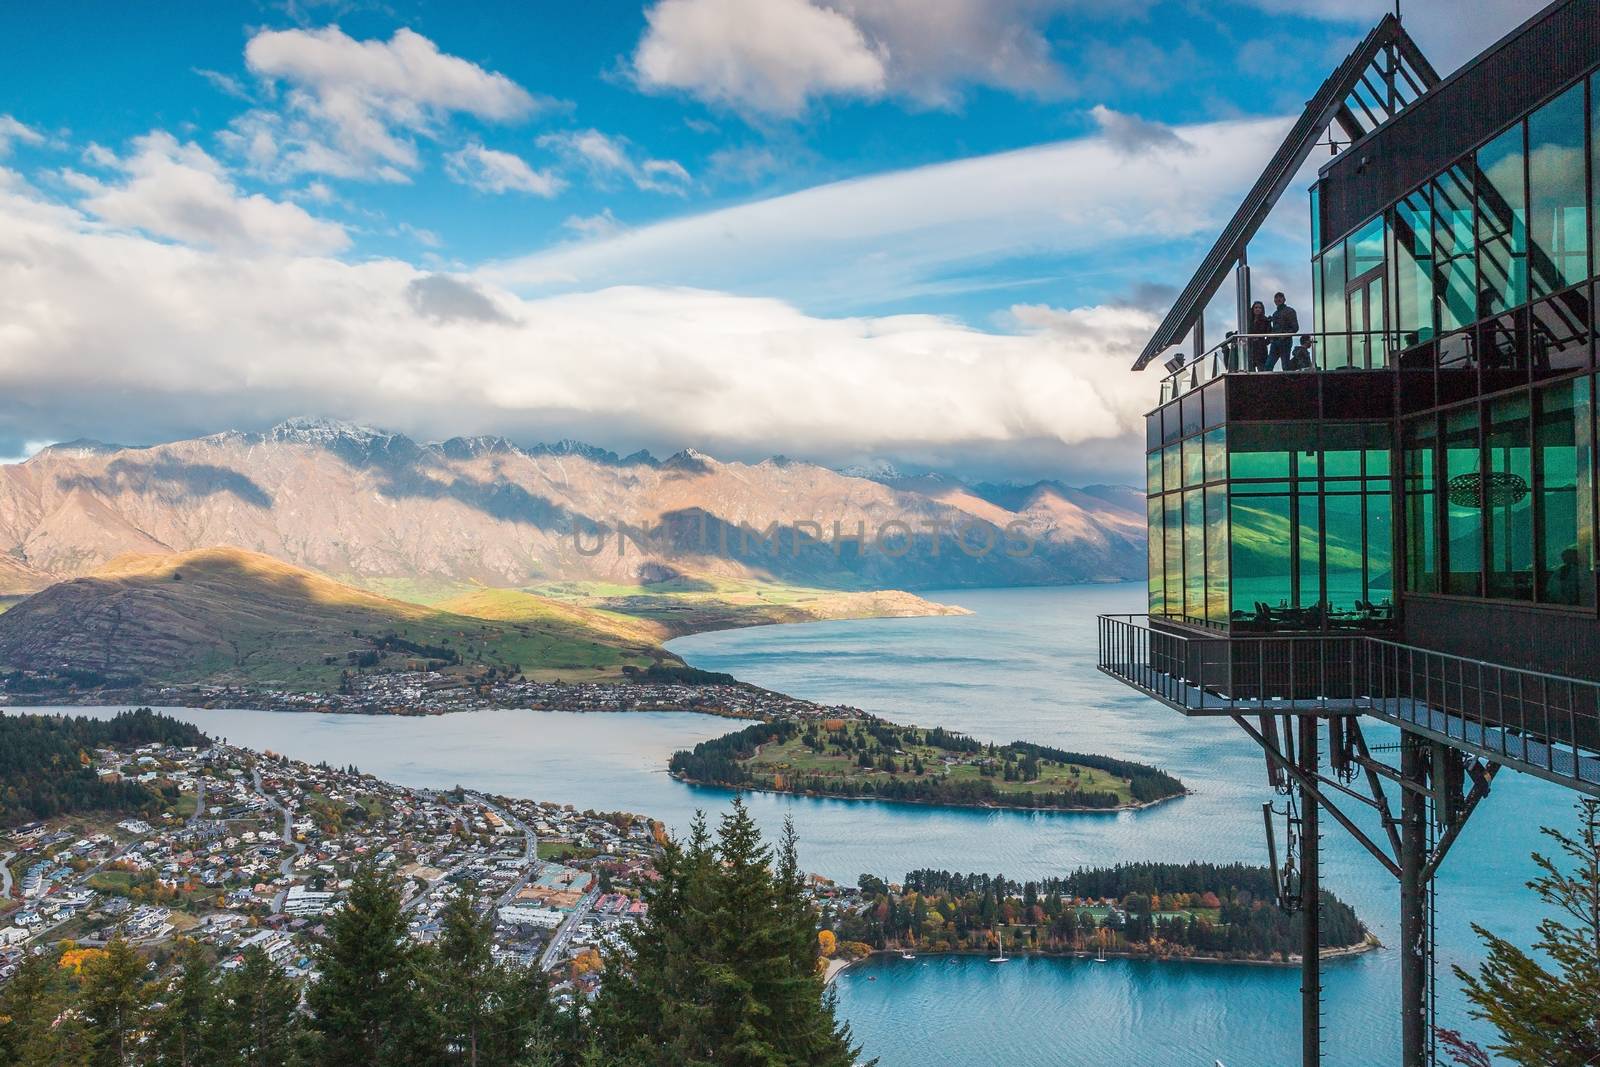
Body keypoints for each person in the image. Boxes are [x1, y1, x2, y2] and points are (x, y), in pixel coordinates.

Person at [1267, 291, 1298, 370]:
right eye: (1276, 298)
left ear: (1284, 299)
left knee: (1285, 365)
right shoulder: (1275, 314)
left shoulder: (1289, 311)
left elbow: (1295, 328)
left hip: (1285, 341)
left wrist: (1284, 336)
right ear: (1274, 301)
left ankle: (1287, 381)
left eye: (1280, 297)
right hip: (1275, 342)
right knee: (1268, 365)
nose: (1278, 299)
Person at [1247, 301, 1271, 371]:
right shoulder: (1248, 321)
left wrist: (1264, 342)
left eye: (1260, 308)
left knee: (1262, 369)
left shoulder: (1265, 320)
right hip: (1250, 348)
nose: (1257, 309)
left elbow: (1270, 334)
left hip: (1261, 349)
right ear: (1253, 309)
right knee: (1250, 369)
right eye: (1256, 307)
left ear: (1262, 309)